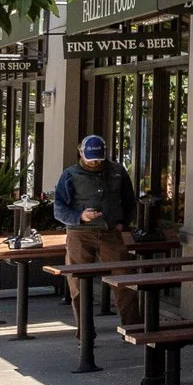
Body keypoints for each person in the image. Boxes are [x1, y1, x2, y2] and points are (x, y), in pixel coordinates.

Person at [52, 136, 142, 332]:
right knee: (78, 286)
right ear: (80, 153)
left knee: (125, 280)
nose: (94, 162)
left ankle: (133, 329)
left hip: (110, 232)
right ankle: (84, 334)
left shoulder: (117, 171)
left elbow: (129, 200)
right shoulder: (70, 174)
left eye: (98, 158)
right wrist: (80, 216)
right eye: (91, 158)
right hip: (79, 234)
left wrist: (123, 223)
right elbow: (59, 209)